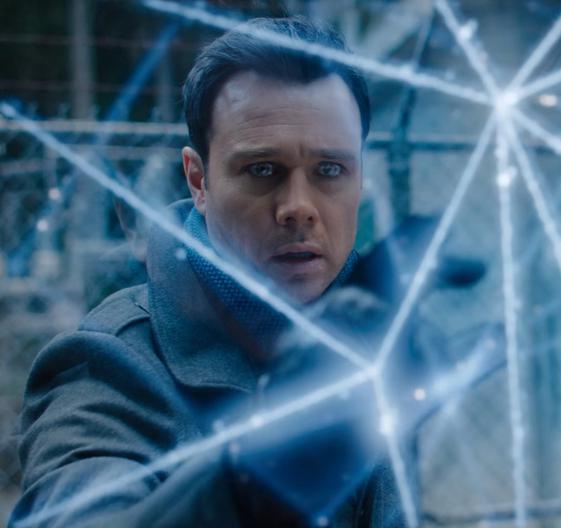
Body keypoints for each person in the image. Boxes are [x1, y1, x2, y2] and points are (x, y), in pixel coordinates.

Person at [12, 17, 429, 527]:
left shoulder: (371, 332)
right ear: (198, 180)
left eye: (329, 170)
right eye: (262, 170)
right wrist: (248, 484)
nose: (298, 207)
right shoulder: (110, 364)